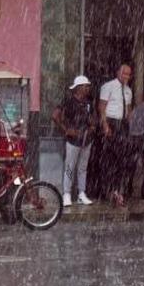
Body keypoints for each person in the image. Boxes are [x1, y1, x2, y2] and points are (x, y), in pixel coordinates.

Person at [53, 75, 95, 207]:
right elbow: (55, 116)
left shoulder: (88, 103)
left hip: (86, 139)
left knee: (83, 168)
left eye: (88, 86)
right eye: (85, 86)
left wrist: (92, 126)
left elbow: (93, 118)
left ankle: (81, 193)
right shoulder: (68, 101)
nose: (88, 88)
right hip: (73, 140)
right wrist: (66, 129)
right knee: (70, 168)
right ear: (79, 88)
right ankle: (66, 194)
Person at [98, 63, 133, 207]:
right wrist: (105, 125)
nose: (126, 77)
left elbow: (129, 111)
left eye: (128, 75)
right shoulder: (108, 86)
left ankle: (118, 192)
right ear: (118, 72)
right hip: (111, 123)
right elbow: (101, 107)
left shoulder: (128, 91)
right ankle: (108, 191)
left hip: (122, 125)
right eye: (124, 73)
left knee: (122, 161)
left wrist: (130, 127)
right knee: (109, 161)